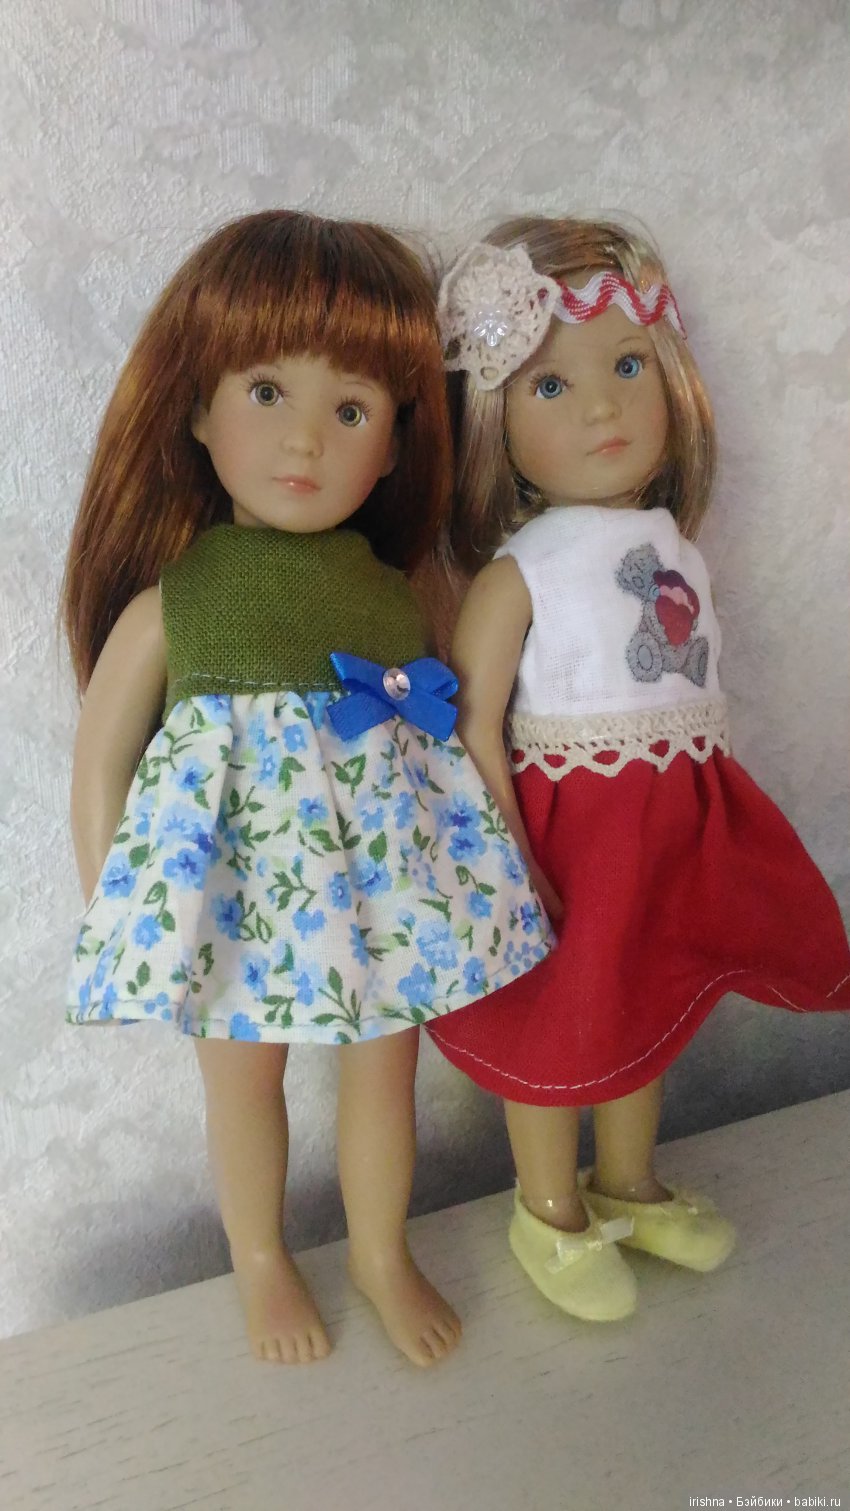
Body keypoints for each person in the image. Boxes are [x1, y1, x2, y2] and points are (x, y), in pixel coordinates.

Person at [62, 210, 552, 1366]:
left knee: (386, 1068)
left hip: (380, 892)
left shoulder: (397, 593)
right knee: (244, 1079)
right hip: (236, 903)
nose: (304, 440)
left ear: (393, 444)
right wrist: (129, 916)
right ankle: (260, 1256)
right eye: (267, 391)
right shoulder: (178, 603)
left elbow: (443, 738)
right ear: (196, 410)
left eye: (351, 409)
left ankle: (379, 1249)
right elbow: (101, 761)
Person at [427, 217, 850, 1322]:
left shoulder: (676, 547)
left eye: (626, 367)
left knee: (644, 1002)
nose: (602, 408)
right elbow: (474, 726)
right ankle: (548, 1207)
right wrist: (507, 859)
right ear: (495, 422)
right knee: (556, 1020)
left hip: (669, 825)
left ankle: (630, 1180)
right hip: (568, 840)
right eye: (551, 386)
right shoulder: (517, 574)